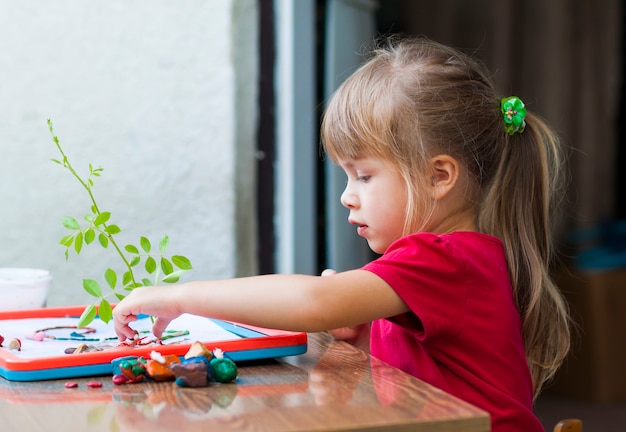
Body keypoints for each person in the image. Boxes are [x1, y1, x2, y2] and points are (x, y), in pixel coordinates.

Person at [113, 37, 571, 431]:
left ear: (439, 176)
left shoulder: (445, 257)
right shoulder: (443, 262)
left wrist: (180, 296)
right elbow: (424, 373)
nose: (347, 197)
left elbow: (313, 302)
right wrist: (363, 336)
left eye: (364, 176)